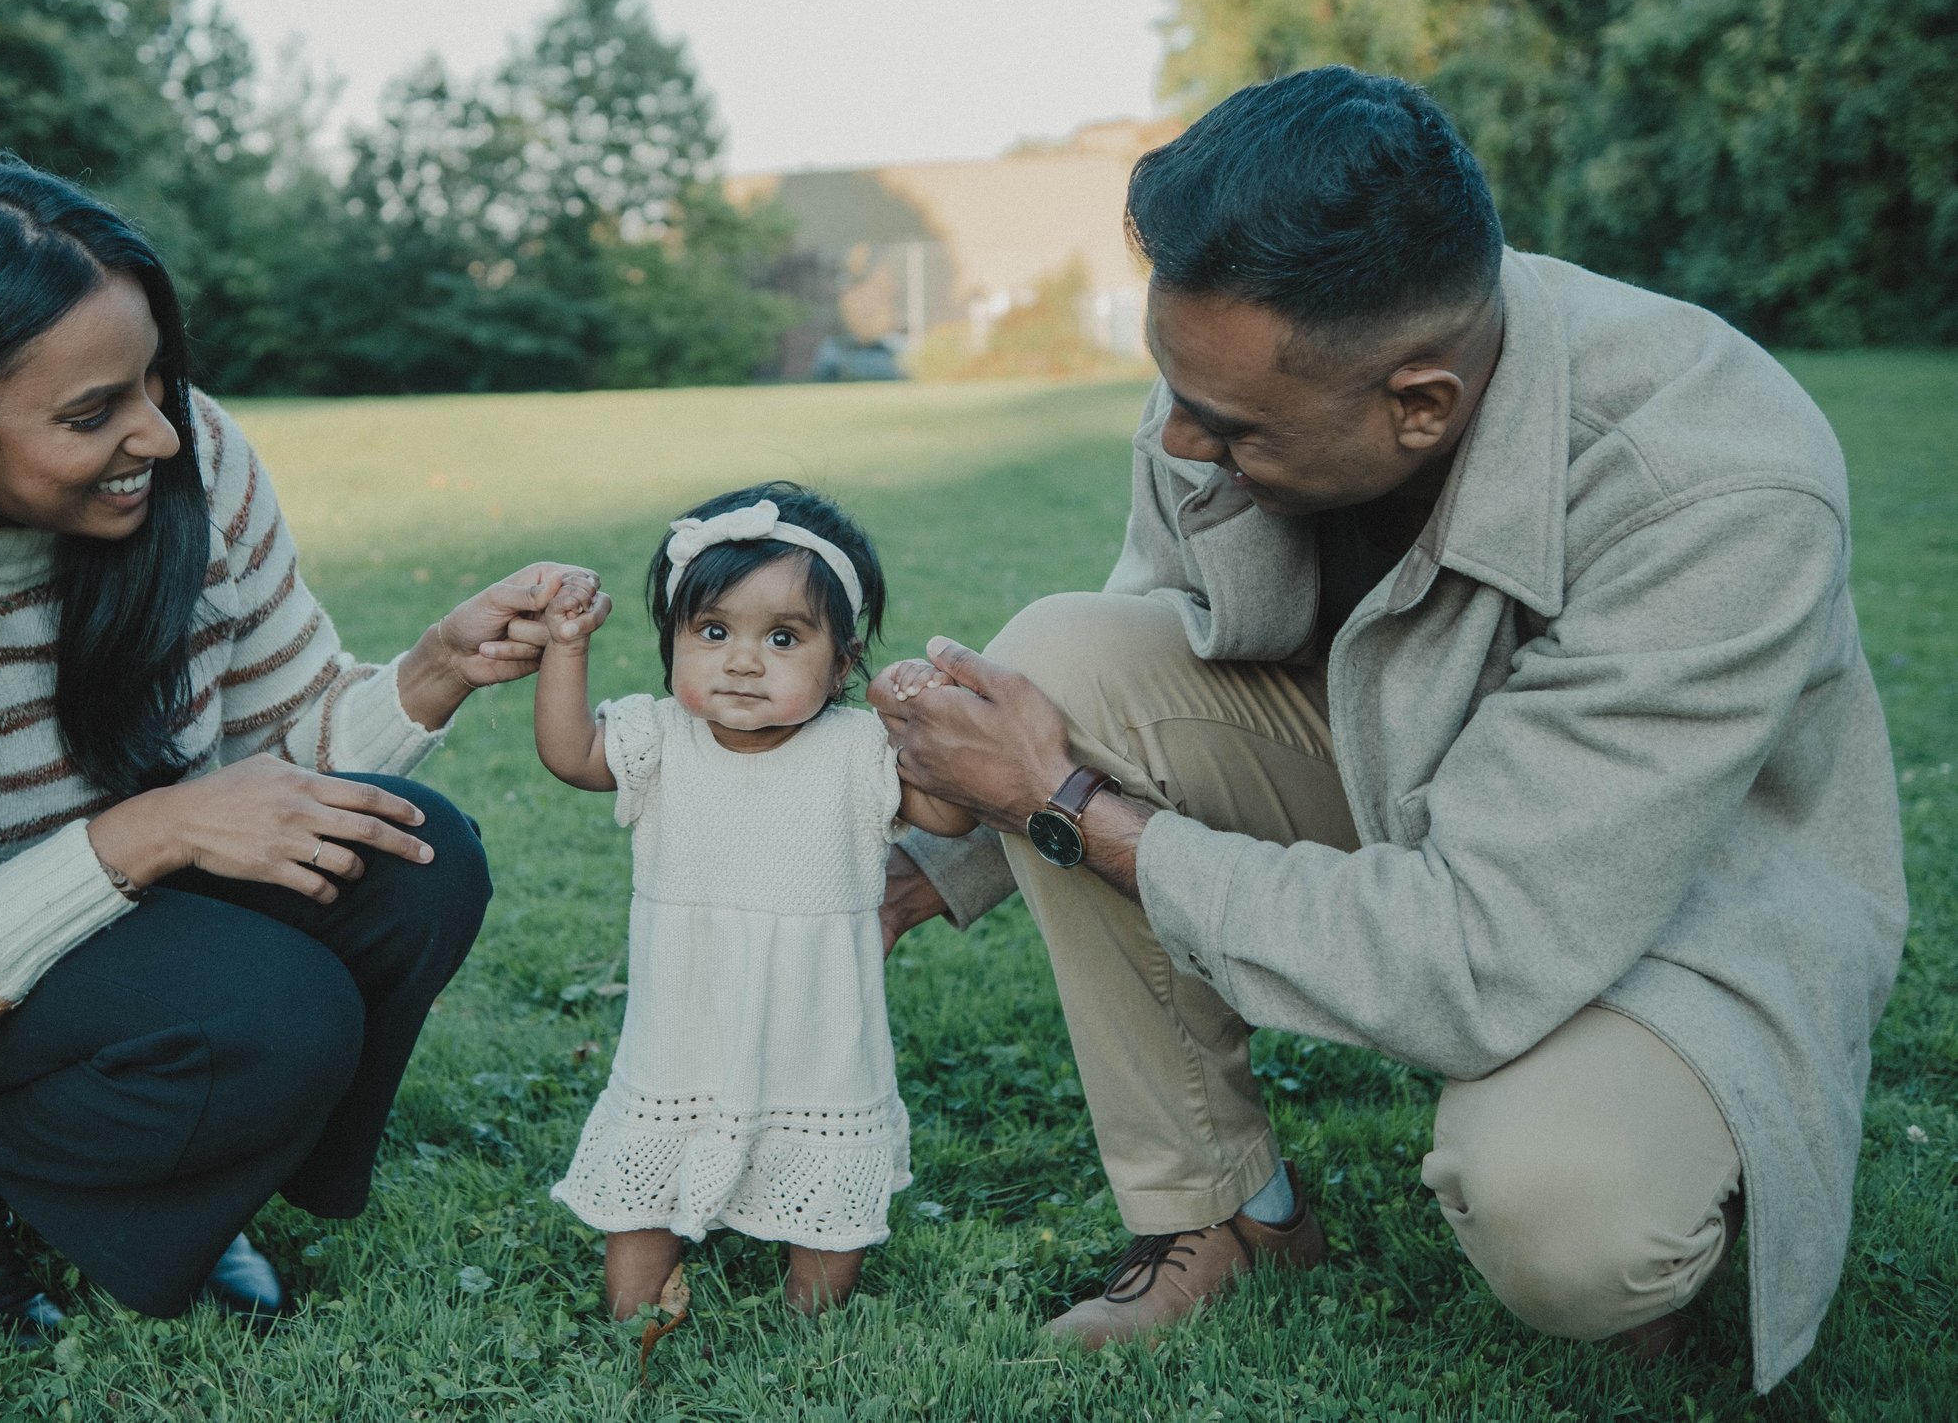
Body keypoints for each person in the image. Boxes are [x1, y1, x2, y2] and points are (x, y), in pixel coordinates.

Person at [871, 67, 1905, 1392]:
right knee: (1063, 658)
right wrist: (947, 849)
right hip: (1404, 782)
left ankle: (1673, 1137)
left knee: (1567, 1206)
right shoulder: (1251, 365)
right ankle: (1223, 1213)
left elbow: (1481, 946)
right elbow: (1146, 638)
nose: (1179, 433)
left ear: (1419, 402)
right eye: (1171, 387)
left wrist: (1070, 803)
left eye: (1226, 425)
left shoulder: (1718, 487)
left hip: (1679, 903)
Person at [0, 151, 595, 1337]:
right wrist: (139, 836)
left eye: (155, 377)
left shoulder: (189, 457)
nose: (157, 432)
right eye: (92, 412)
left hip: (123, 908)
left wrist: (431, 672)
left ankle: (182, 1189)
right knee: (273, 1008)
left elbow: (279, 740)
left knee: (421, 859)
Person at [531, 484, 974, 1318]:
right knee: (656, 1163)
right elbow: (569, 751)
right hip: (685, 1015)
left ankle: (813, 1317)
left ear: (842, 663)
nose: (742, 659)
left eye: (782, 637)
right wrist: (566, 650)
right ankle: (632, 1311)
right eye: (712, 630)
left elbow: (950, 816)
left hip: (815, 1020)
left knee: (825, 1160)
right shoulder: (661, 735)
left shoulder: (856, 749)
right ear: (672, 640)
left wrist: (925, 719)